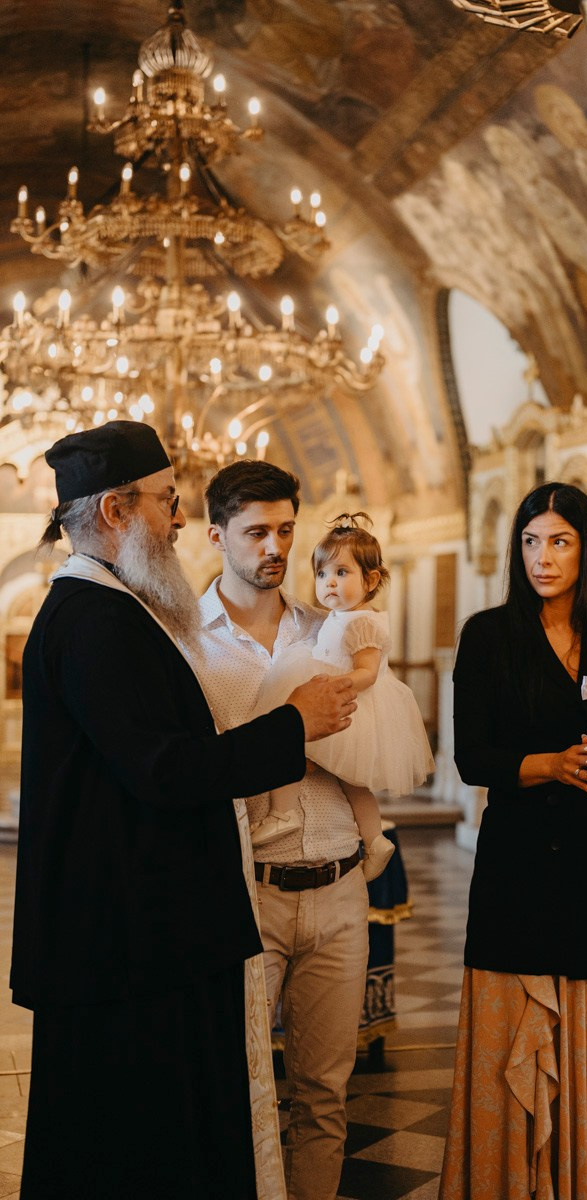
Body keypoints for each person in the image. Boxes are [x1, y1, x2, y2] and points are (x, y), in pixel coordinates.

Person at [11, 421, 356, 1200]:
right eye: (165, 501)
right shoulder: (98, 622)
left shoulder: (111, 612)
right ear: (115, 511)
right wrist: (294, 723)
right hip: (123, 944)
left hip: (128, 936)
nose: (176, 519)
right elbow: (166, 768)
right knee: (135, 1146)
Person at [439, 482, 587, 1200]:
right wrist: (552, 765)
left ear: (586, 547)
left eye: (559, 542)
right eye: (530, 541)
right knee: (517, 1015)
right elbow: (472, 758)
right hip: (519, 859)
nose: (542, 557)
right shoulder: (488, 635)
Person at [189, 461, 372, 1200]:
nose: (275, 547)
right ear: (215, 536)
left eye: (287, 530)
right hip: (247, 895)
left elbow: (369, 743)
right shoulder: (185, 642)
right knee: (236, 1087)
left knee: (325, 1094)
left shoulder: (329, 628)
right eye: (257, 532)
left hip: (338, 886)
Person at [250, 512, 434, 881]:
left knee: (289, 743)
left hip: (348, 705)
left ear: (371, 580)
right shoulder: (340, 616)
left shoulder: (362, 622)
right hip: (342, 703)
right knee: (352, 782)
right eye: (322, 574)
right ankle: (375, 839)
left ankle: (283, 812)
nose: (329, 582)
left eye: (341, 572)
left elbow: (368, 672)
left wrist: (333, 684)